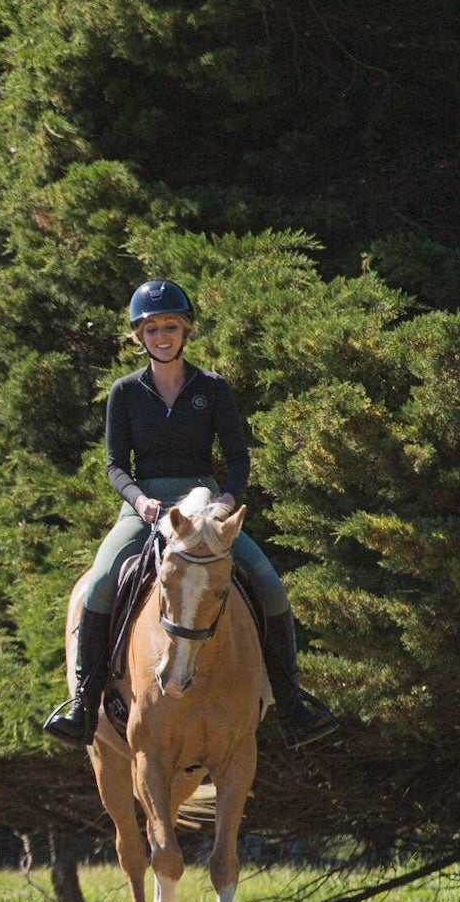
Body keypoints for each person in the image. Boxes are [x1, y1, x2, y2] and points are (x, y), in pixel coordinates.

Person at [43, 280, 338, 749]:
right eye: (153, 328)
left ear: (185, 332)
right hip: (145, 508)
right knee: (100, 581)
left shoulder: (213, 389)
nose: (163, 335)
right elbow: (115, 464)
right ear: (140, 336)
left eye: (171, 327)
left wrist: (224, 502)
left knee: (269, 583)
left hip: (204, 506)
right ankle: (84, 704)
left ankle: (292, 705)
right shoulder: (124, 392)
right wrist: (138, 501)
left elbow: (238, 459)